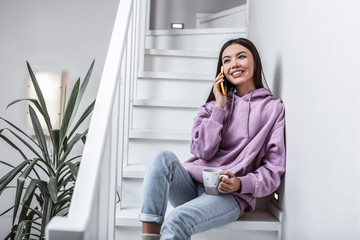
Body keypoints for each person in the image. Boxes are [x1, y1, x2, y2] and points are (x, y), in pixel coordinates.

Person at [139, 38, 286, 240]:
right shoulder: (212, 107)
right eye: (226, 60)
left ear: (255, 62)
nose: (233, 63)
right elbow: (202, 152)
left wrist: (241, 183)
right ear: (221, 71)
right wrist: (219, 106)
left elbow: (273, 168)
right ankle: (148, 235)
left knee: (175, 220)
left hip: (230, 196)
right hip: (192, 186)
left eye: (241, 57)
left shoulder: (273, 109)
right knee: (161, 157)